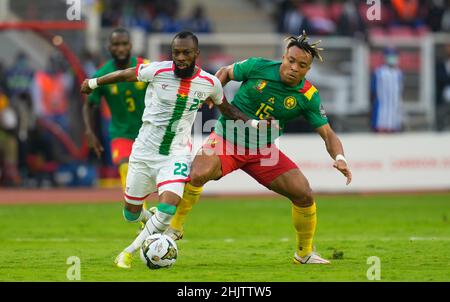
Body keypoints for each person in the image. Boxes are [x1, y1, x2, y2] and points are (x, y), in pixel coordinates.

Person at [166, 31, 352, 264]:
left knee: (303, 193)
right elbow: (224, 72)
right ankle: (175, 227)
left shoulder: (308, 96)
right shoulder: (257, 66)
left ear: (308, 69)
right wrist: (212, 93)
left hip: (263, 152)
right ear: (284, 57)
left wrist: (340, 157)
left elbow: (328, 133)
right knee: (198, 174)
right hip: (226, 139)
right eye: (291, 60)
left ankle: (304, 254)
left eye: (301, 65)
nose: (294, 67)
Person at [80, 31, 251, 268]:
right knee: (130, 213)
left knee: (169, 205)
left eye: (186, 52)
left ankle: (127, 252)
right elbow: (126, 74)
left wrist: (254, 123)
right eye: (176, 52)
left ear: (196, 54)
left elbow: (228, 109)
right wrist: (93, 82)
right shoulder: (157, 70)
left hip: (176, 153)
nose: (180, 57)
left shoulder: (210, 83)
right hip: (143, 152)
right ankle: (153, 222)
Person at [82, 28, 149, 193]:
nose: (120, 48)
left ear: (131, 45)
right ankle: (141, 216)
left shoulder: (146, 67)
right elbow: (89, 104)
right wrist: (89, 131)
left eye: (124, 44)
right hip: (121, 133)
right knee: (126, 168)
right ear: (109, 47)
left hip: (149, 133)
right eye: (116, 44)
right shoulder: (102, 74)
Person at [371, 47, 404, 133]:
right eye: (390, 56)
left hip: (395, 112)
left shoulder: (399, 73)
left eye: (394, 56)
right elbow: (373, 92)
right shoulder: (378, 72)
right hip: (381, 112)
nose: (393, 58)